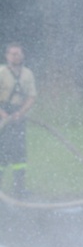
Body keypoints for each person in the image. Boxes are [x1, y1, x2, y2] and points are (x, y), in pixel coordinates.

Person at [0, 42, 37, 197]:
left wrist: (20, 113)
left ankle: (19, 189)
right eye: (13, 54)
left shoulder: (27, 74)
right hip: (2, 114)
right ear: (7, 56)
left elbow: (31, 96)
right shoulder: (1, 72)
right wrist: (3, 115)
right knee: (2, 151)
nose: (17, 56)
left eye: (19, 53)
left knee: (19, 152)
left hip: (18, 115)